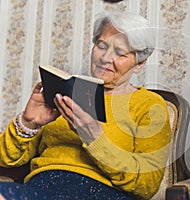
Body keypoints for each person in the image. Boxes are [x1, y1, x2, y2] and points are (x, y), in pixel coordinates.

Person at [0, 11, 171, 200]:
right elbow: (6, 160)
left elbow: (148, 184)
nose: (105, 58)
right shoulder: (65, 92)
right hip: (39, 187)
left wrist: (95, 138)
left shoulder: (148, 105)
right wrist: (28, 123)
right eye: (101, 45)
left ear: (140, 63)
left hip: (102, 193)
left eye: (120, 53)